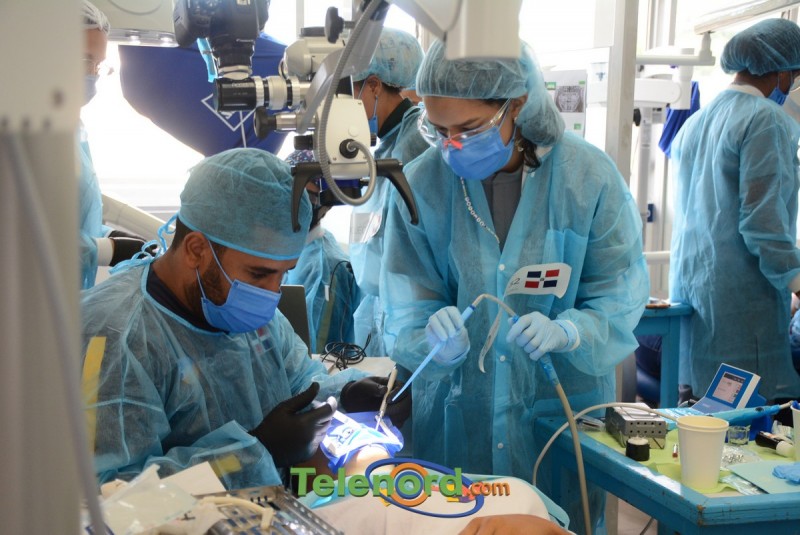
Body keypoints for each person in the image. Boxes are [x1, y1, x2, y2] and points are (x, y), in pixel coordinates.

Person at [380, 40, 649, 533]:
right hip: (460, 421)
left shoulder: (586, 179)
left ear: (517, 104)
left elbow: (617, 293)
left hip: (559, 413)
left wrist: (571, 331)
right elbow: (406, 305)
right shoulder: (420, 185)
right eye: (439, 130)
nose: (451, 146)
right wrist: (430, 338)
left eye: (468, 129)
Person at [80, 149, 411, 490]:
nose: (272, 292)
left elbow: (300, 383)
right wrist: (256, 450)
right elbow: (113, 492)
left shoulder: (246, 312)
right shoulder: (115, 337)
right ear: (196, 250)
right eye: (259, 274)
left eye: (283, 273)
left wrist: (347, 395)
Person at [670, 18, 800, 402]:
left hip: (697, 298)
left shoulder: (695, 123)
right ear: (781, 73)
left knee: (703, 420)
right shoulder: (766, 120)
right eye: (795, 76)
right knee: (749, 424)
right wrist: (796, 280)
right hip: (743, 310)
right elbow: (763, 223)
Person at [348, 28, 429, 356]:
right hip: (384, 306)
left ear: (374, 85)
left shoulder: (416, 143)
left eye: (347, 95)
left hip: (414, 311)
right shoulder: (387, 146)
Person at [79, 1, 149, 289]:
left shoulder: (72, 130)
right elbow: (21, 236)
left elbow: (74, 219)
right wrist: (107, 249)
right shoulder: (19, 134)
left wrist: (108, 236)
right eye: (86, 61)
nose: (93, 74)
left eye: (99, 65)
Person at [284, 150, 361, 353]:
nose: (296, 202)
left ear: (327, 204)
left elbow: (319, 354)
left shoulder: (325, 269)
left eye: (307, 196)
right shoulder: (287, 251)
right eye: (290, 190)